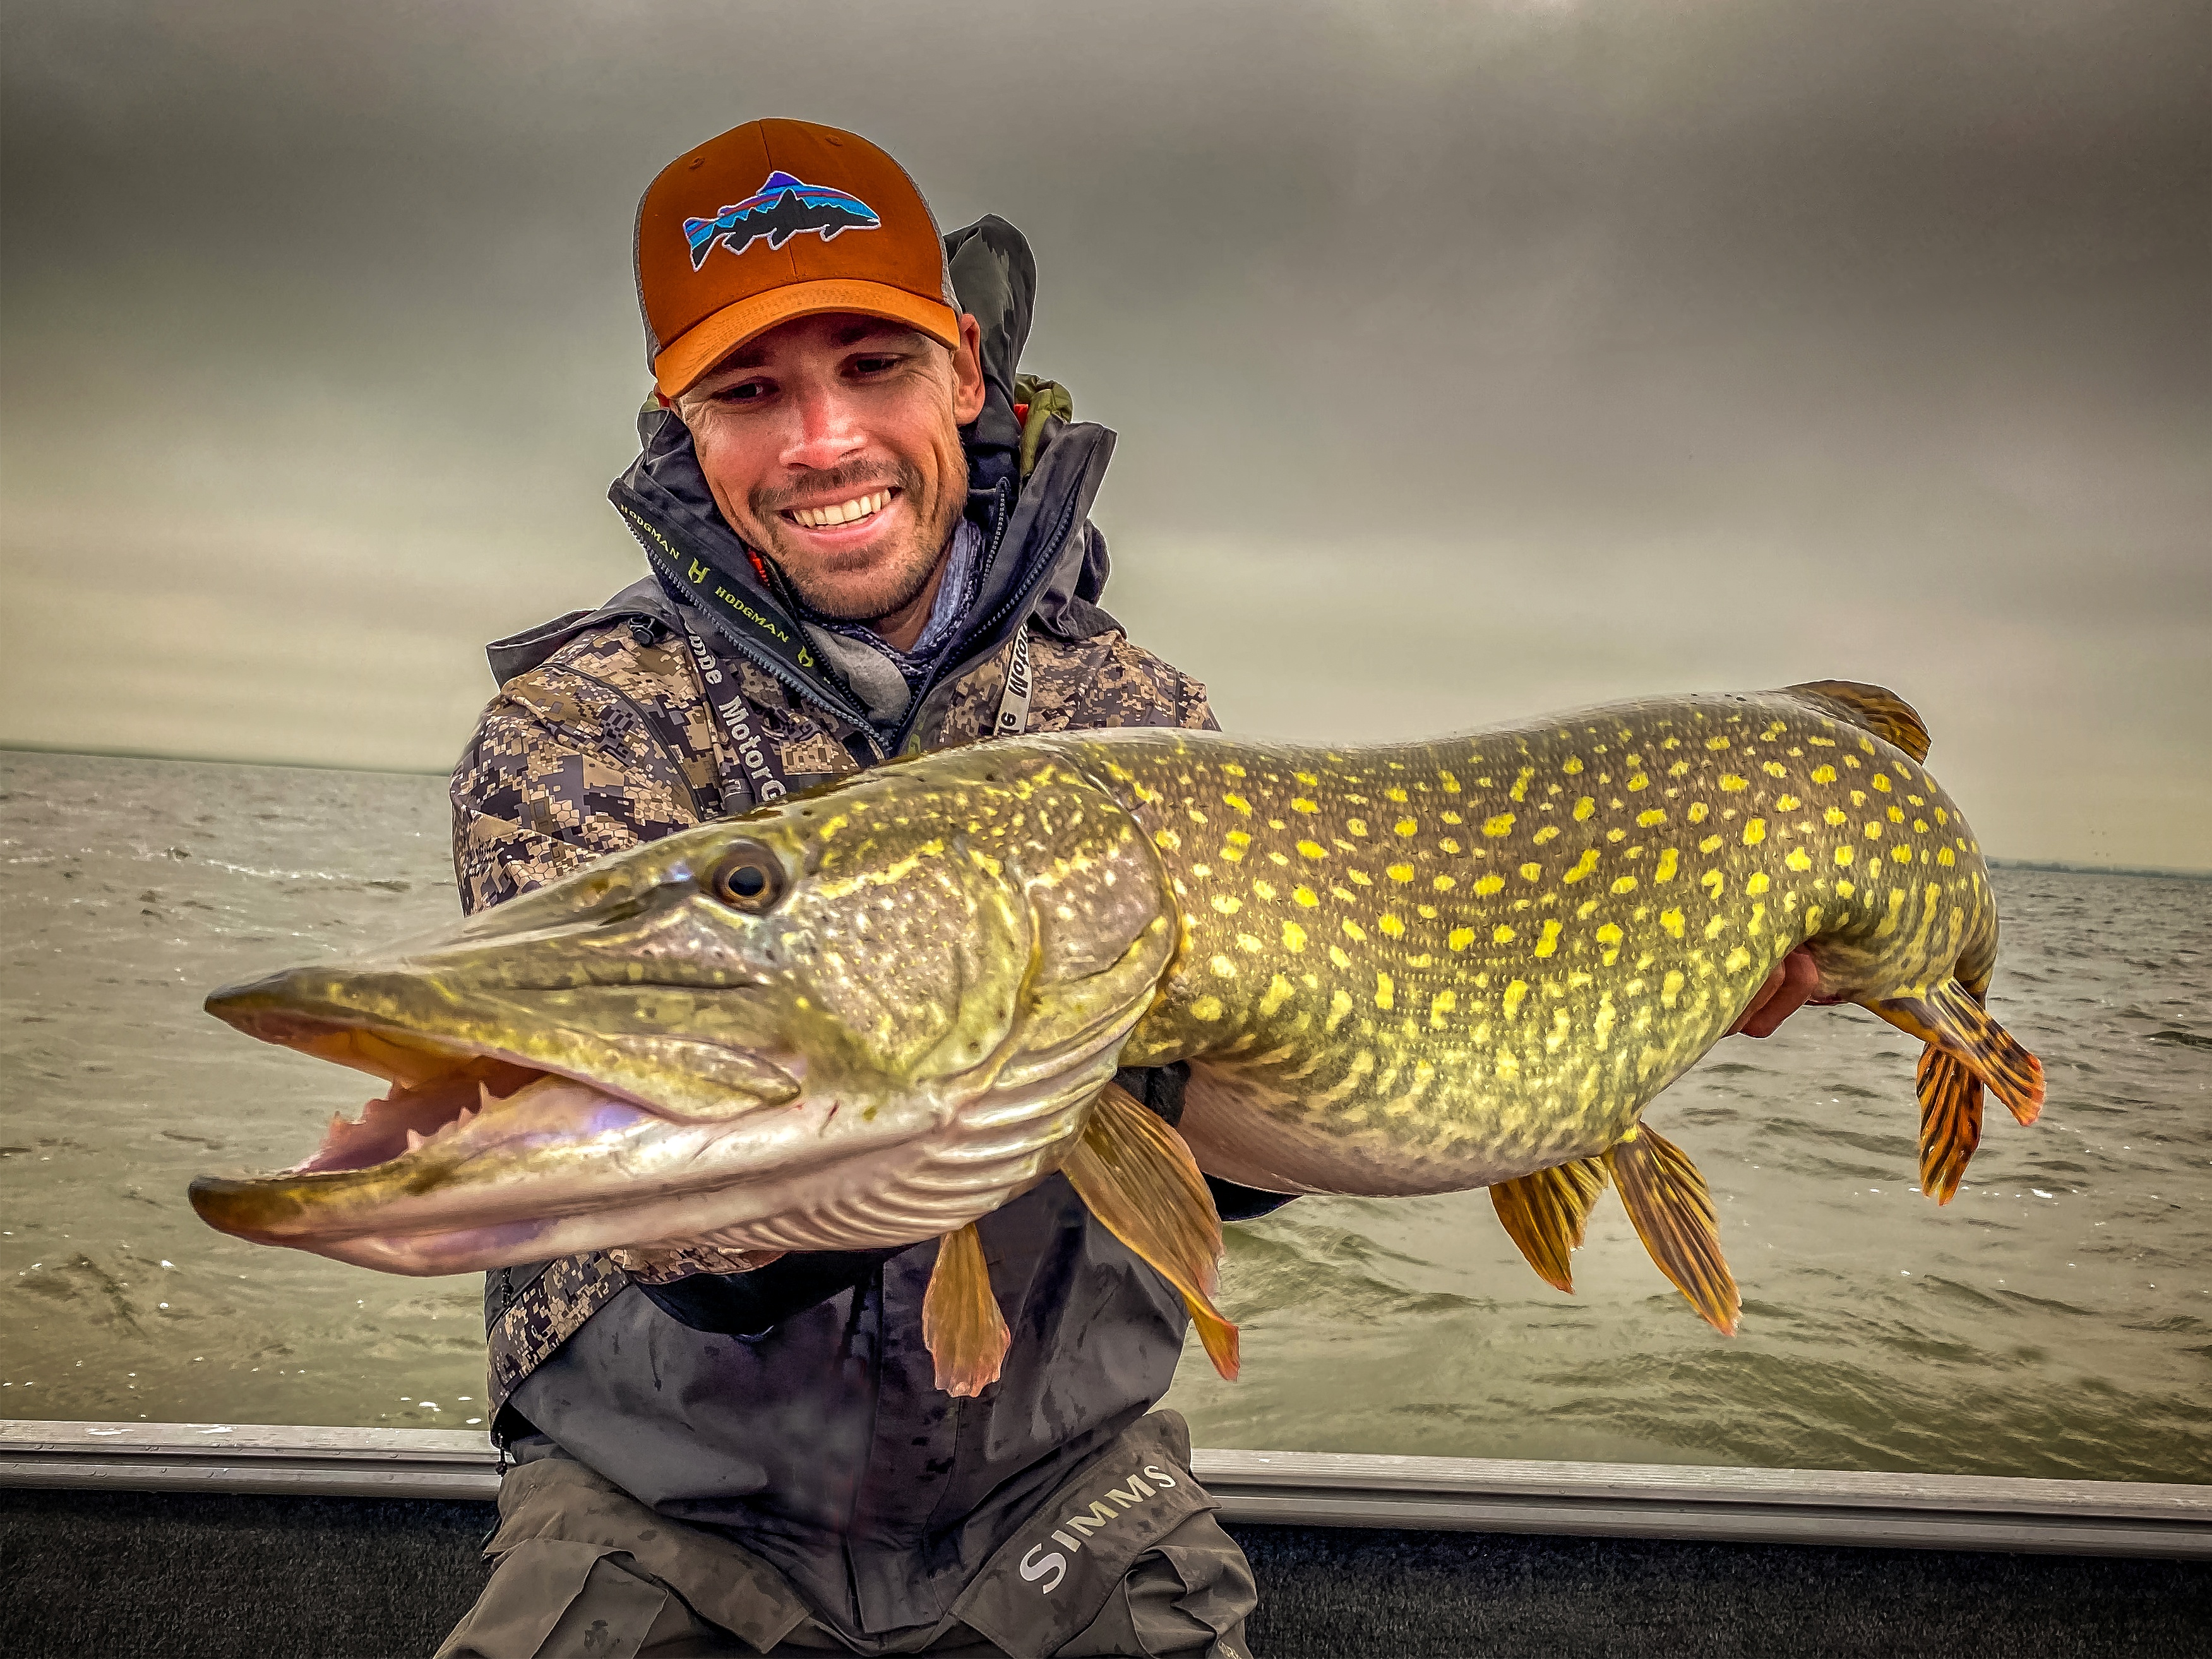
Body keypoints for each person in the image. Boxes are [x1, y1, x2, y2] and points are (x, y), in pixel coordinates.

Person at [434, 118, 1818, 1659]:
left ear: (965, 368)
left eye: (873, 368)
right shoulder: (573, 730)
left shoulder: (1133, 709)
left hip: (1054, 1486)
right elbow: (643, 1210)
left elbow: (1221, 1141)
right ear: (680, 421)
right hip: (659, 1499)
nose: (822, 442)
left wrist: (1637, 991)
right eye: (751, 392)